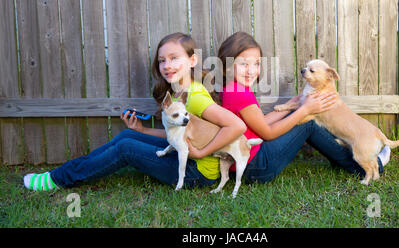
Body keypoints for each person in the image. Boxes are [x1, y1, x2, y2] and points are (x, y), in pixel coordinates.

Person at [23, 32, 246, 191]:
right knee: (129, 135)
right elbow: (178, 137)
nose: (167, 65)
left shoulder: (195, 97)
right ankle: (68, 170)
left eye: (174, 58)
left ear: (192, 60)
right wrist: (142, 130)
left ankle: (59, 179)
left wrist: (200, 152)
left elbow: (237, 126)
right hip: (185, 157)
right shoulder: (180, 93)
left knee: (126, 148)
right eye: (162, 60)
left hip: (196, 172)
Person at [192, 31, 390, 184]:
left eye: (256, 64)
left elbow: (259, 124)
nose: (251, 70)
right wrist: (305, 110)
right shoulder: (240, 94)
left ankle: (352, 156)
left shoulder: (232, 89)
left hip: (250, 160)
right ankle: (367, 165)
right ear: (228, 66)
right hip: (258, 166)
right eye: (244, 64)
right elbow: (267, 133)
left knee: (305, 116)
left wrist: (291, 107)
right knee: (309, 123)